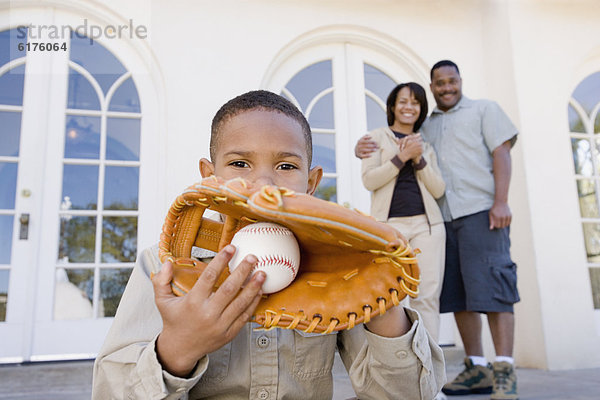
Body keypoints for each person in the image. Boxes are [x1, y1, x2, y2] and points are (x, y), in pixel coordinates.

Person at [92, 90, 446, 399]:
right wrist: (177, 349)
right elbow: (109, 392)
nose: (262, 183)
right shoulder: (167, 265)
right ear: (209, 176)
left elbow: (408, 395)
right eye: (239, 163)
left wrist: (383, 306)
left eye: (285, 165)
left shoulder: (340, 267)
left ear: (311, 183)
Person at [355, 61, 520, 400]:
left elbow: (495, 156)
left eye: (452, 81)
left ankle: (499, 370)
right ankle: (475, 368)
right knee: (458, 293)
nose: (447, 87)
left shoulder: (482, 111)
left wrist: (501, 201)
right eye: (439, 83)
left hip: (474, 213)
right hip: (436, 221)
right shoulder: (415, 130)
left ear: (459, 81)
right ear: (432, 88)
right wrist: (373, 151)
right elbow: (374, 171)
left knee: (490, 287)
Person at [360, 82, 446, 344]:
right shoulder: (374, 138)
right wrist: (401, 157)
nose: (409, 107)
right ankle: (398, 370)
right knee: (388, 297)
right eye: (403, 101)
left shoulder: (426, 146)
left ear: (421, 110)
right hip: (388, 228)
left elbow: (438, 188)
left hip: (426, 227)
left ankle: (430, 379)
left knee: (426, 298)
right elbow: (370, 180)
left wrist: (418, 158)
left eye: (415, 103)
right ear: (393, 106)